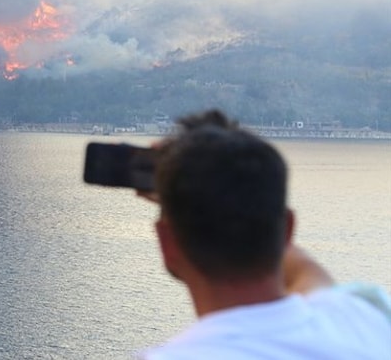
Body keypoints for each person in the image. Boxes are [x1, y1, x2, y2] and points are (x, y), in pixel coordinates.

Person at [135, 109, 391, 359]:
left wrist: (184, 202)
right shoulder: (366, 318)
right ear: (288, 227)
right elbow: (309, 273)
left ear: (167, 243)